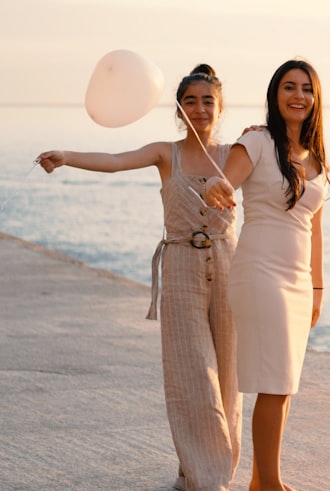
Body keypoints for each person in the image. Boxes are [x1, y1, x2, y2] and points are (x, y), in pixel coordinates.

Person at [37, 65, 242, 491]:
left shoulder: (235, 154)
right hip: (183, 263)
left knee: (228, 377)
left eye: (208, 100)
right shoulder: (165, 152)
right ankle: (209, 477)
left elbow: (278, 172)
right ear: (179, 108)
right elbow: (114, 161)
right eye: (190, 100)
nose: (199, 108)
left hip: (230, 265)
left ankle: (199, 470)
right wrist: (67, 156)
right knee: (192, 374)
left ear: (220, 107)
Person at [204, 59, 329, 491]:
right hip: (260, 272)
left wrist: (317, 287)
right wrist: (215, 188)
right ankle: (270, 484)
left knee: (285, 380)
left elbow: (314, 227)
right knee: (274, 382)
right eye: (289, 87)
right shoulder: (256, 141)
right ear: (276, 95)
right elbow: (224, 181)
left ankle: (262, 479)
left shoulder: (315, 156)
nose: (299, 96)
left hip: (298, 281)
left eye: (307, 89)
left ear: (315, 99)